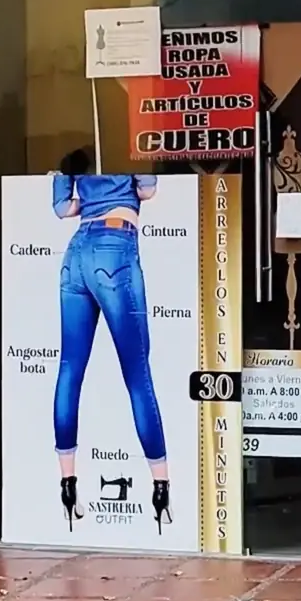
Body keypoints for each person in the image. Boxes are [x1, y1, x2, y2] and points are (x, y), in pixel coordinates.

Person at [50, 155, 171, 533]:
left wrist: (59, 177)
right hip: (115, 245)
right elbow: (148, 191)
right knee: (138, 375)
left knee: (70, 370)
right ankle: (160, 489)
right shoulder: (130, 151)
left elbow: (62, 209)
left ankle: (68, 484)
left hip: (76, 253)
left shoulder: (79, 159)